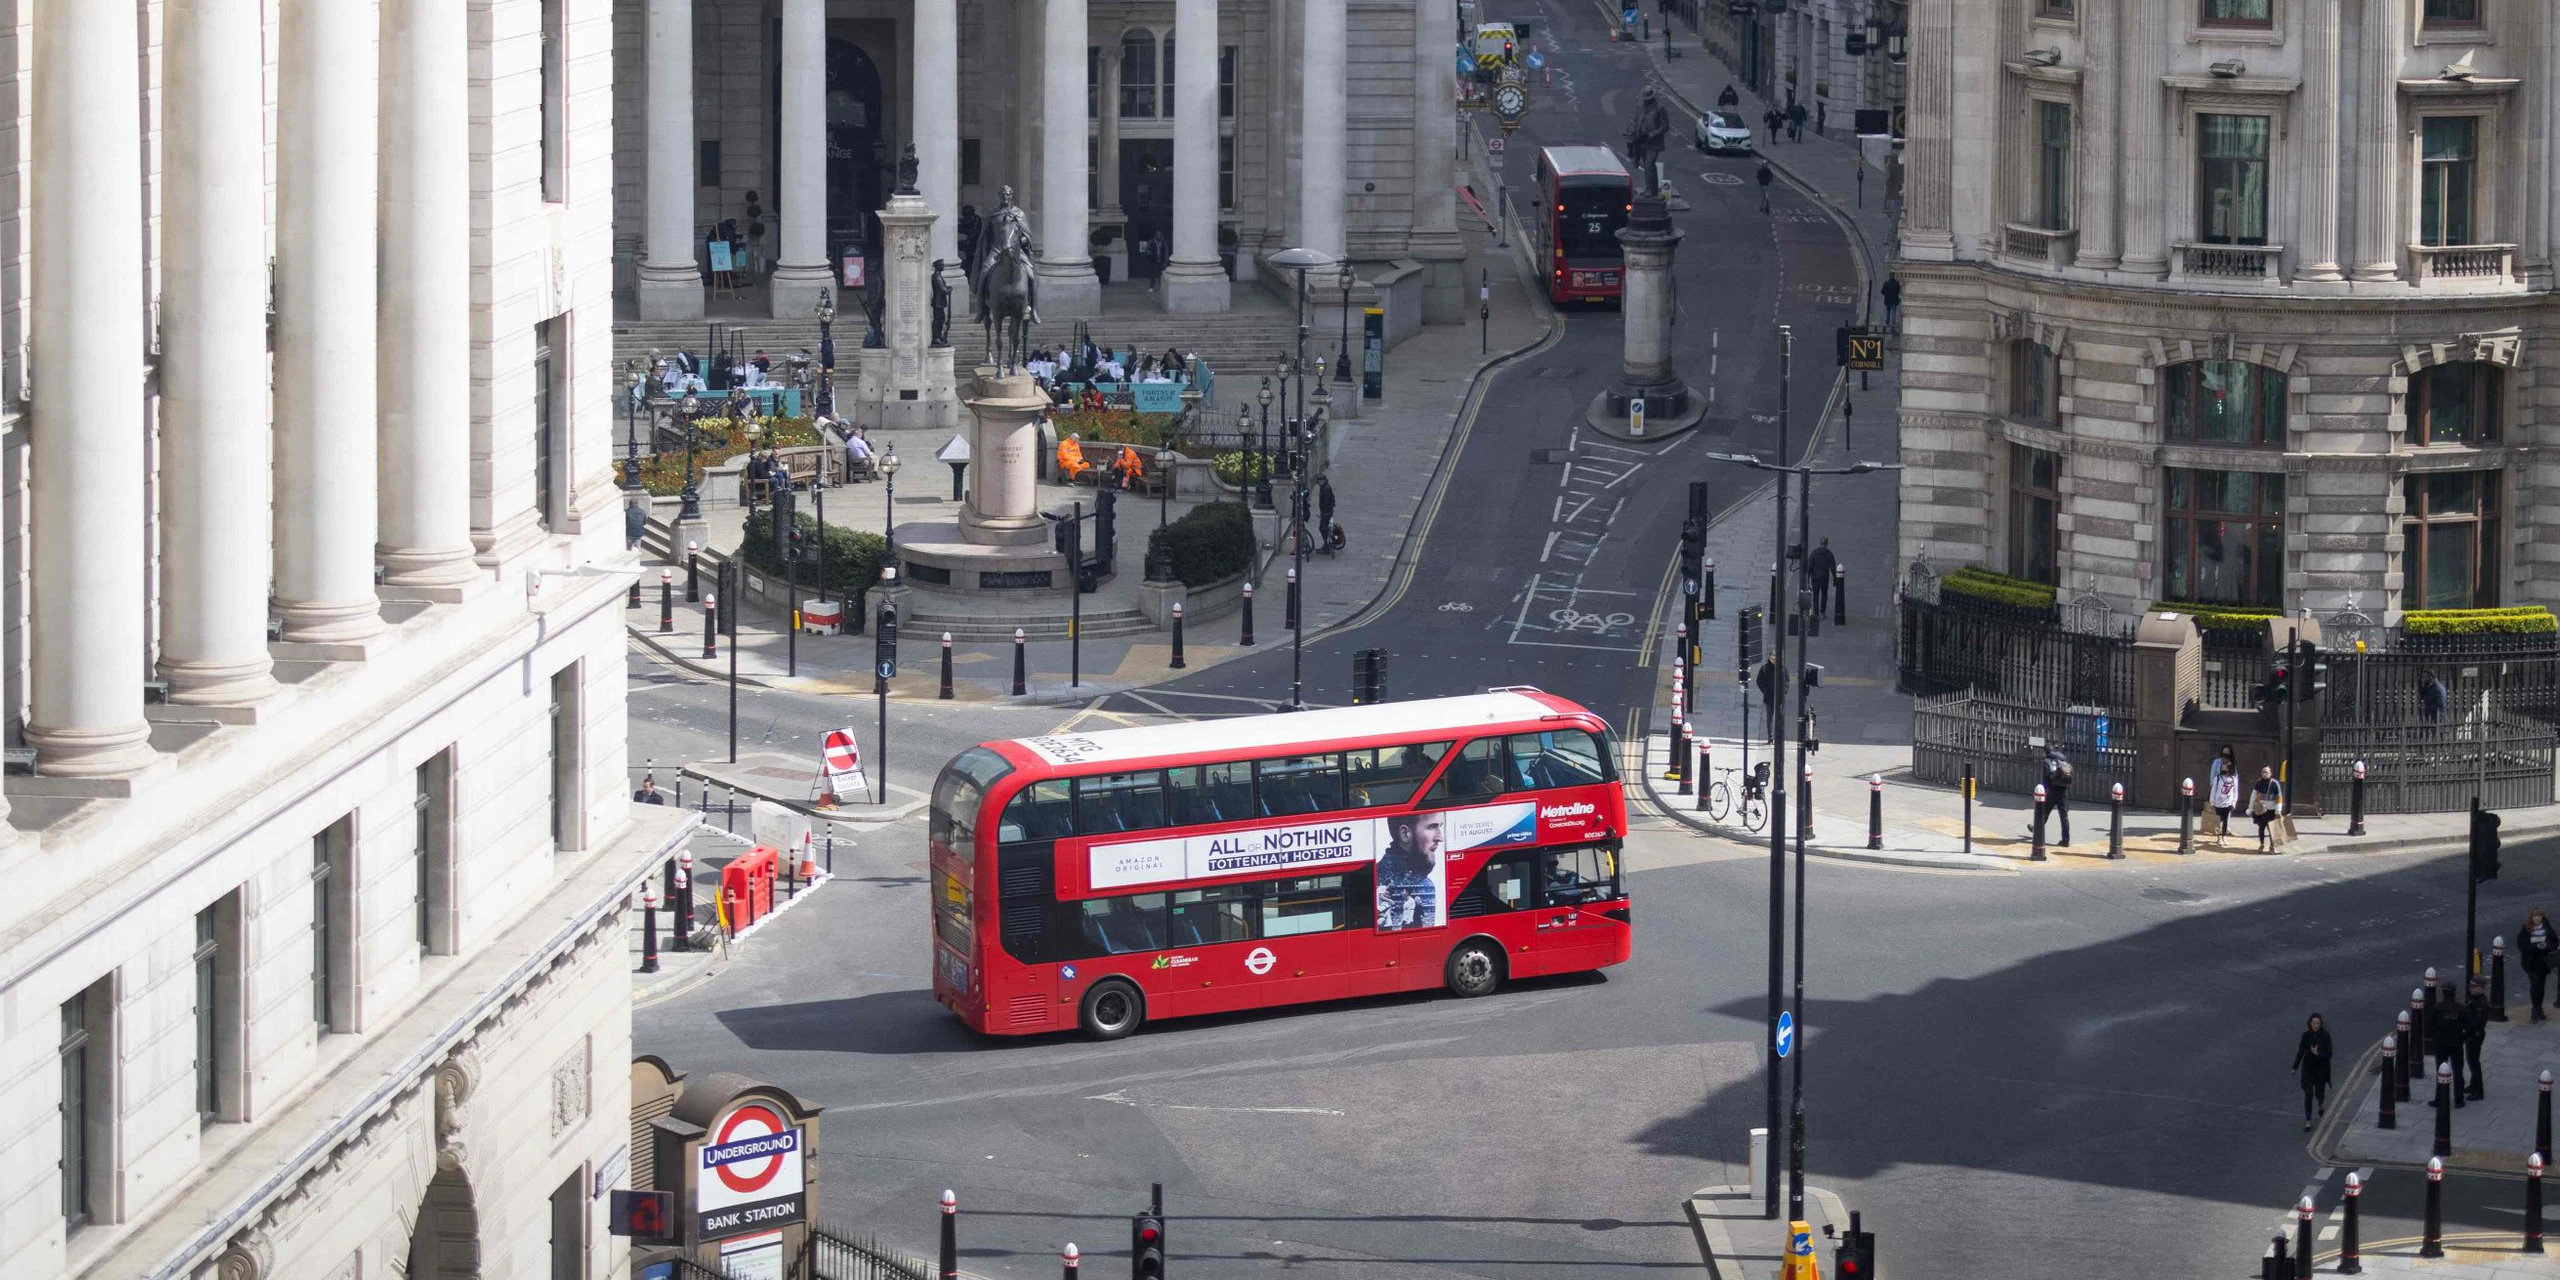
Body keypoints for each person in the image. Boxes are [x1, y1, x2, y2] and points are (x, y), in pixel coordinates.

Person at [1377, 813, 1445, 931]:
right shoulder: (1422, 884)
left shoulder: (1382, 872)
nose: (1440, 838)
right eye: (1432, 827)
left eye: (1440, 826)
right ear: (1405, 834)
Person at [2291, 1012, 2332, 1130]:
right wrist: (2294, 1067)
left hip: (2321, 1069)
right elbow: (2300, 1052)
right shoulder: (2306, 1036)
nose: (2316, 1025)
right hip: (2308, 1069)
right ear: (2310, 1023)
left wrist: (2317, 1053)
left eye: (2318, 1023)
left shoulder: (2325, 1036)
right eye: (2314, 1023)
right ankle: (2308, 1121)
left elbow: (2329, 1054)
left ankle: (2320, 1104)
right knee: (2308, 1095)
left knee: (2319, 1093)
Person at [2429, 984, 2469, 1107]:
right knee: (2458, 1071)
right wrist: (2462, 1038)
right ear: (2454, 993)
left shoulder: (2437, 1008)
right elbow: (2468, 1025)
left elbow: (2430, 1024)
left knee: (2440, 1071)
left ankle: (2439, 1098)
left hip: (2441, 1044)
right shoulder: (2461, 1009)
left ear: (2443, 993)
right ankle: (2459, 1099)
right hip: (2456, 1043)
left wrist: (2435, 1037)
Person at [2039, 744, 2073, 846]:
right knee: (2064, 816)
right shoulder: (2063, 759)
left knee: (2043, 813)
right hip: (2063, 791)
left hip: (2052, 791)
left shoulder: (2046, 761)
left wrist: (2043, 791)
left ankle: (2037, 833)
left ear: (2045, 752)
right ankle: (2066, 840)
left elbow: (2045, 779)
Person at [2464, 977, 2491, 1101]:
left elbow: (2477, 1022)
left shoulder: (2481, 1003)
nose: (2470, 988)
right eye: (2470, 986)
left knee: (2474, 1063)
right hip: (2471, 1034)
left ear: (2481, 988)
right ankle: (2473, 1085)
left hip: (2475, 1035)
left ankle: (2478, 1091)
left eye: (2473, 987)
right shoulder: (2473, 999)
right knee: (2471, 1061)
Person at [2207, 745, 2242, 844]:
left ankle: (2224, 834)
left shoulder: (2233, 768)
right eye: (2223, 753)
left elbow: (2235, 786)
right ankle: (2219, 836)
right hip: (2218, 794)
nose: (2225, 756)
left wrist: (2234, 801)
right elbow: (2212, 776)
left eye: (2227, 753)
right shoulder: (2217, 764)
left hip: (2228, 798)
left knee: (2226, 818)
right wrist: (2212, 799)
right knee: (2219, 819)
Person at [2249, 766, 2284, 852]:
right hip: (2260, 810)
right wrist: (2251, 808)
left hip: (2271, 810)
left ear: (2270, 774)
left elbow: (2279, 797)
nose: (2264, 774)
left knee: (2272, 829)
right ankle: (2261, 845)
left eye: (2266, 772)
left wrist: (2278, 811)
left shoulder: (2275, 783)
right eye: (2263, 772)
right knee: (2261, 828)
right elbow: (2253, 795)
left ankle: (2272, 847)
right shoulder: (2258, 782)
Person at [1803, 536, 1838, 618]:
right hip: (1824, 578)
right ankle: (1822, 611)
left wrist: (1807, 581)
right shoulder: (1829, 554)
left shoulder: (1814, 553)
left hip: (1815, 578)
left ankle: (1816, 613)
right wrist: (1835, 579)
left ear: (1820, 543)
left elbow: (1809, 568)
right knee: (1824, 595)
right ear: (1827, 544)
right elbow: (1833, 568)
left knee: (1815, 595)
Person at [1318, 475, 1338, 545]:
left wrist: (1324, 512)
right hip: (1327, 511)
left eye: (1321, 480)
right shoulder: (1324, 487)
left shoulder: (1325, 488)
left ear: (1324, 480)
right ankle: (1328, 542)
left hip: (1326, 512)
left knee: (1322, 528)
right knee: (1325, 527)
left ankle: (1326, 543)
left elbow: (1326, 501)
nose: (1320, 482)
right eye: (1319, 480)